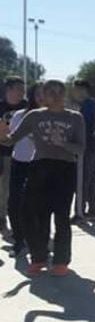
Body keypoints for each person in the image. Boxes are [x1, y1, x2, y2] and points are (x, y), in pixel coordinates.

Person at [0, 79, 85, 276]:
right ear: (42, 96)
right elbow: (11, 140)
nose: (55, 96)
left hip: (65, 168)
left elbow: (80, 149)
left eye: (59, 92)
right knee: (32, 213)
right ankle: (38, 256)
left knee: (61, 216)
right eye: (50, 92)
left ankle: (61, 261)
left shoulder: (75, 117)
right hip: (40, 166)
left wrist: (62, 143)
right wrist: (2, 135)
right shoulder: (34, 116)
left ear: (65, 95)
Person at [7, 82, 45, 257]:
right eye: (38, 94)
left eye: (44, 94)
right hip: (20, 163)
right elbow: (10, 138)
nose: (41, 97)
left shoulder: (51, 117)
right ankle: (19, 241)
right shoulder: (20, 115)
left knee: (40, 206)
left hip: (41, 164)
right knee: (14, 204)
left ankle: (39, 243)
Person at [0, 76, 28, 232]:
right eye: (19, 89)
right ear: (8, 89)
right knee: (3, 189)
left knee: (20, 190)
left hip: (22, 155)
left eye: (23, 90)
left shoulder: (27, 107)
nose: (22, 92)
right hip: (3, 153)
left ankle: (22, 220)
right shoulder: (1, 107)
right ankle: (2, 219)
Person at [72, 79, 95, 222]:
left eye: (76, 89)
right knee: (90, 180)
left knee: (82, 180)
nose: (75, 92)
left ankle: (80, 212)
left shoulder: (86, 106)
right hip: (91, 145)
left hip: (85, 146)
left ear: (84, 89)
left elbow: (94, 125)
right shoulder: (93, 105)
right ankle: (93, 211)